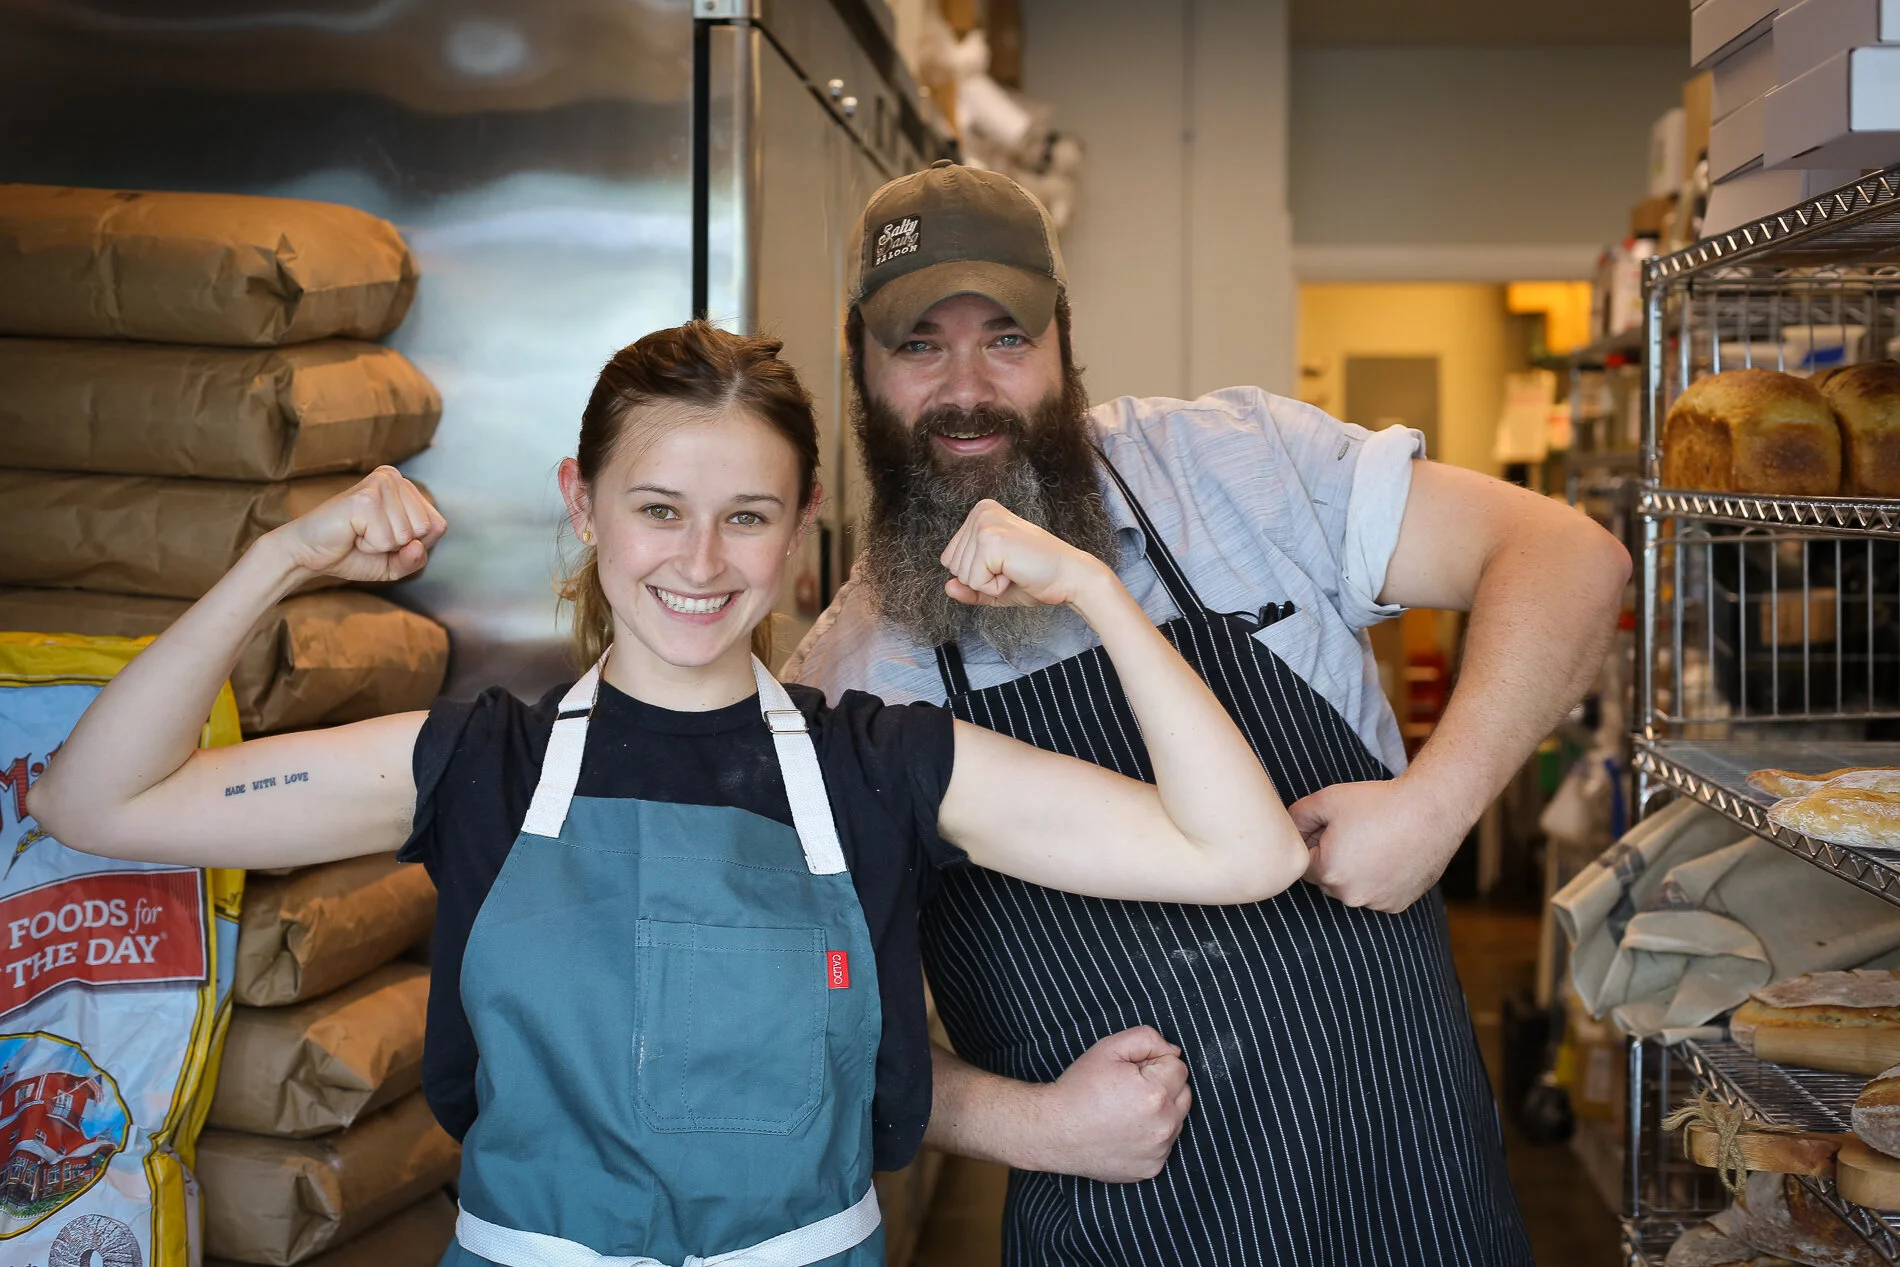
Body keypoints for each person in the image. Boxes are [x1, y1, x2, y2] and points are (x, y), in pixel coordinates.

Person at [29, 321, 1313, 1267]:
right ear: (580, 506)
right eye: (657, 508)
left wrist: (1090, 585)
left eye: (746, 517)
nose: (699, 563)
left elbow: (1243, 851)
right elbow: (97, 801)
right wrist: (283, 557)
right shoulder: (479, 763)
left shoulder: (883, 763)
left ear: (805, 521)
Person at [785, 162, 1633, 1264]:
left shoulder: (1238, 466)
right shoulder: (843, 685)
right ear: (858, 360)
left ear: (1063, 341)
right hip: (1131, 1228)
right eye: (917, 344)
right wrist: (1020, 1121)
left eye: (1006, 336)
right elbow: (811, 1023)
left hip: (1407, 1176)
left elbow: (1569, 556)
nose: (967, 387)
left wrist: (1438, 803)